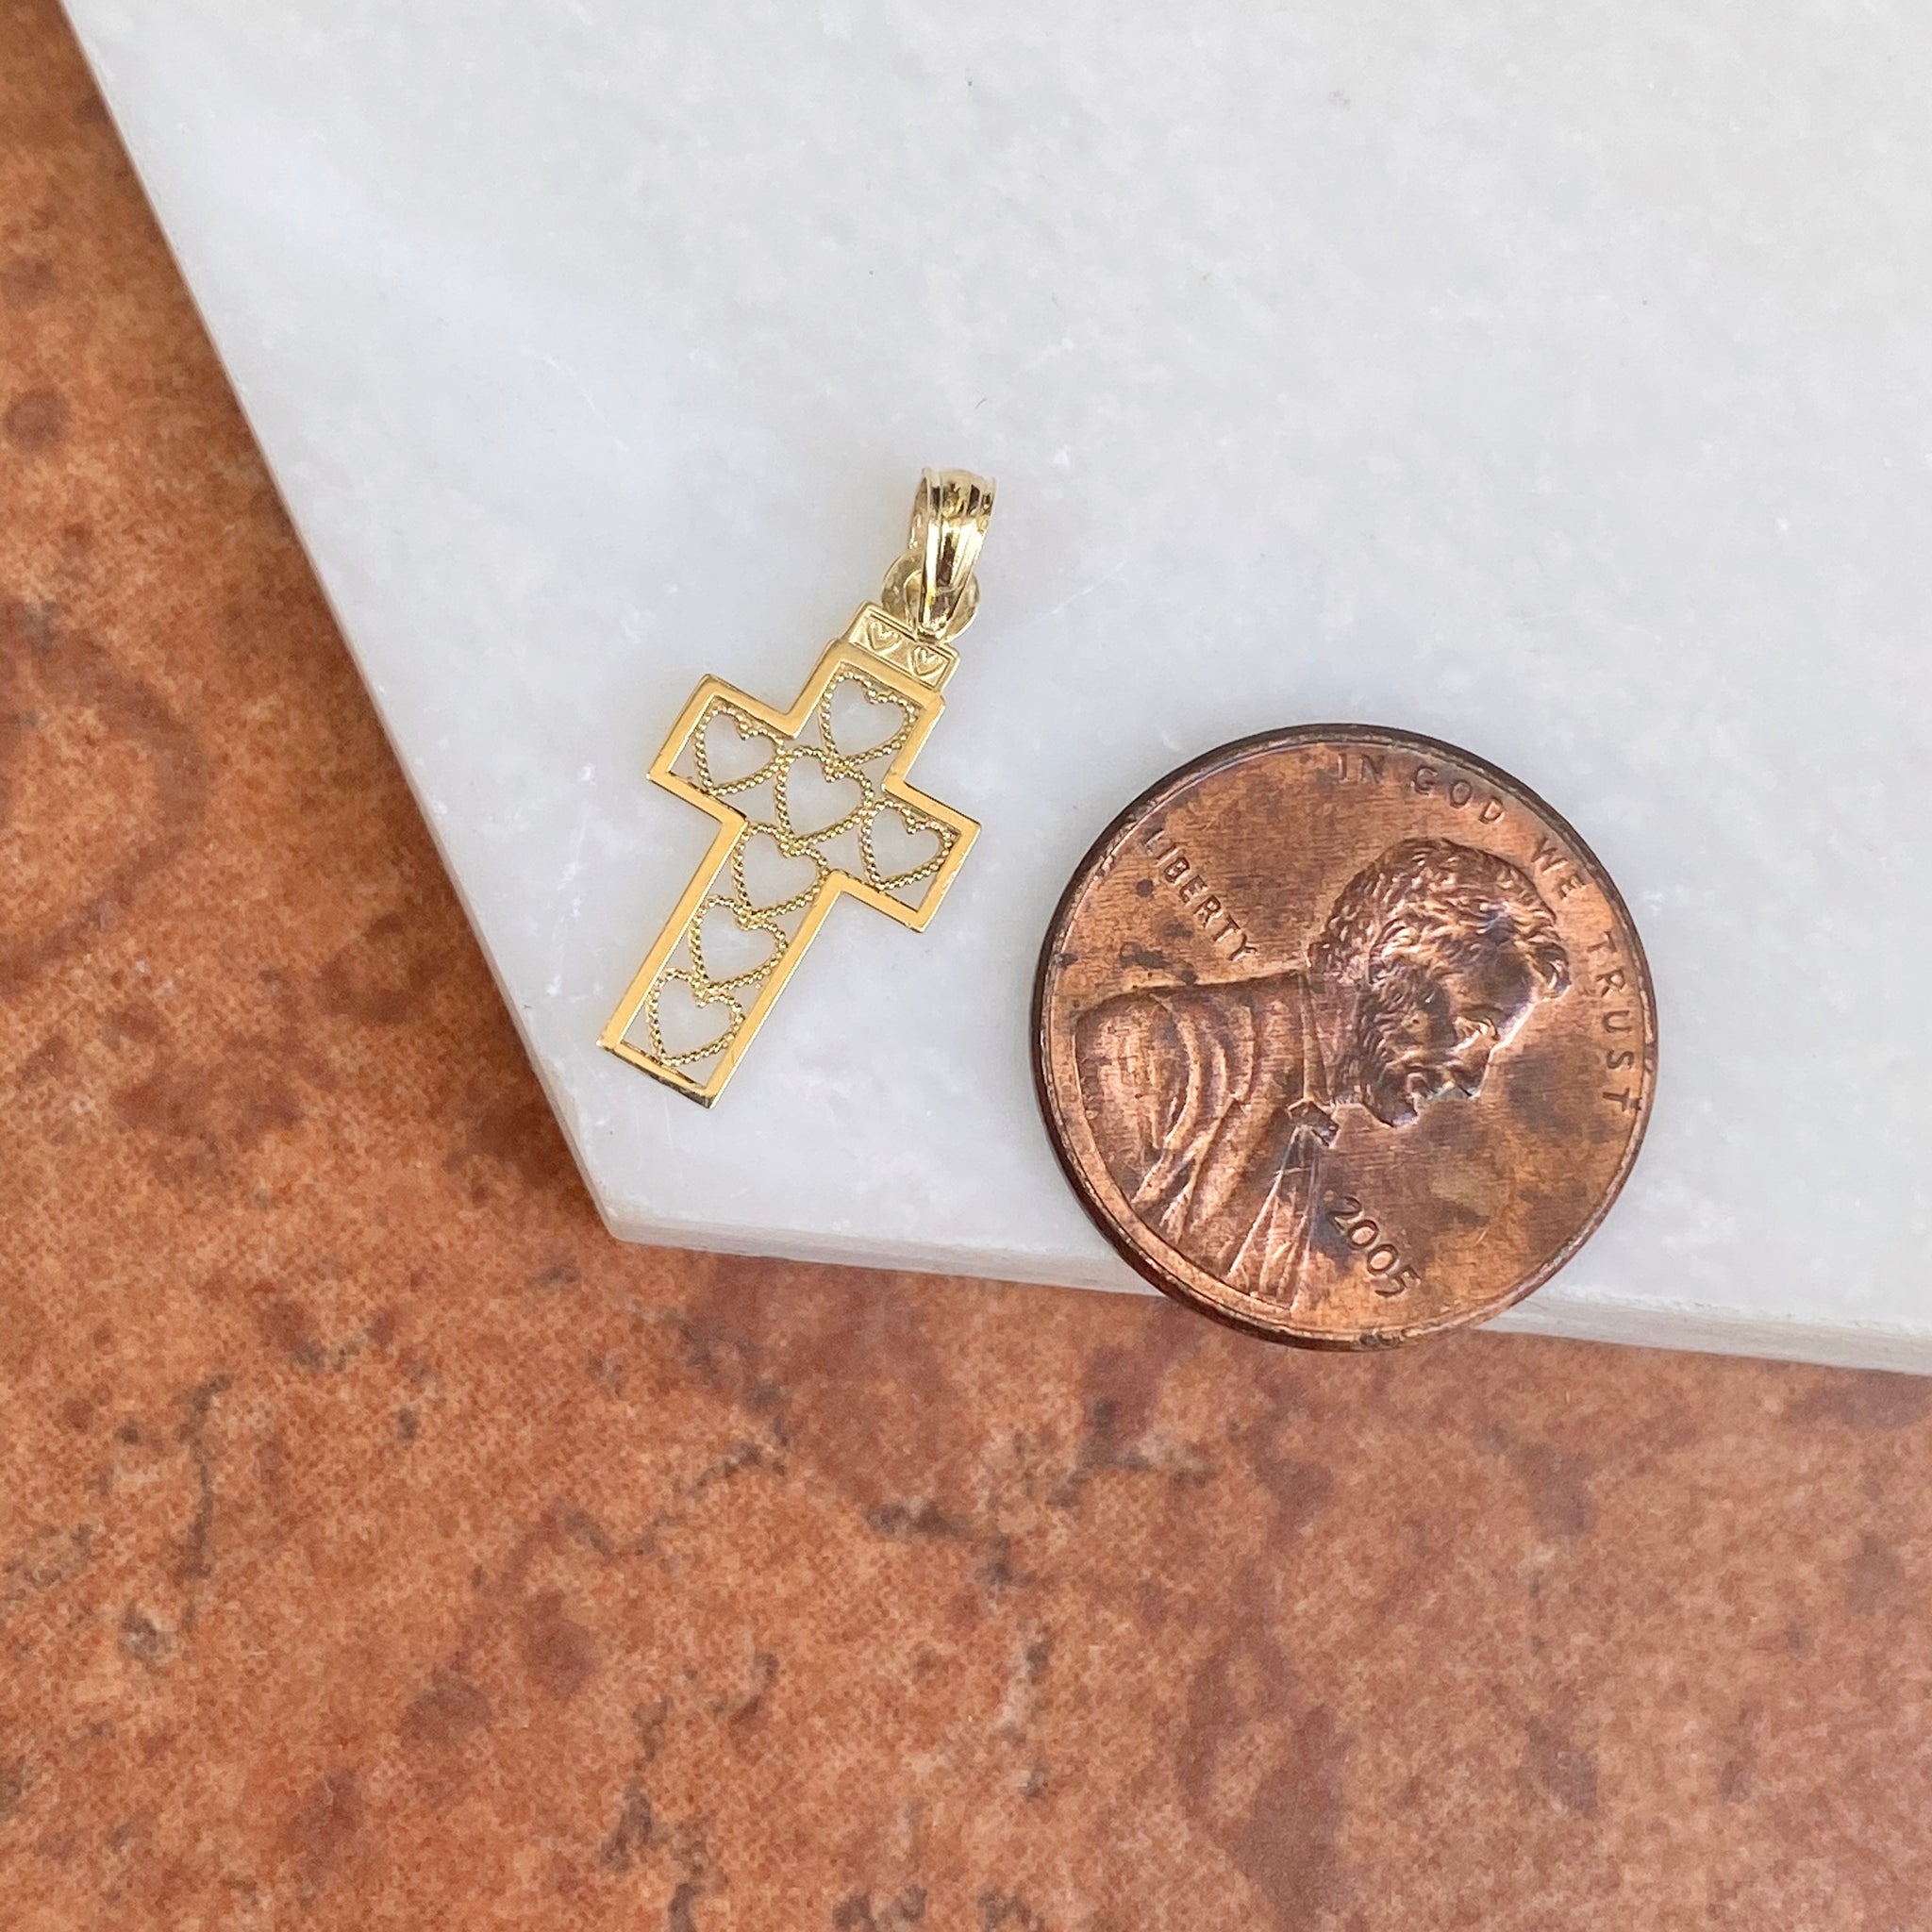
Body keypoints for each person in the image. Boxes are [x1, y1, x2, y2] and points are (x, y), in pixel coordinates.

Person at [1074, 837, 1571, 1304]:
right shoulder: (1144, 1047)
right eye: (1473, 1029)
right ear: (1390, 963)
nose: (1472, 1081)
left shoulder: (1312, 1137)